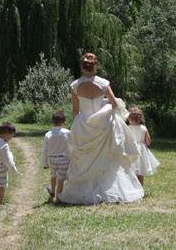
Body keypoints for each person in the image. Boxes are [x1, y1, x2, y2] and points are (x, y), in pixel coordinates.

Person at [57, 53, 144, 205]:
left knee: (85, 158)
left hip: (83, 124)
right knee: (109, 158)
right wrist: (104, 105)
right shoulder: (103, 83)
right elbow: (115, 104)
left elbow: (75, 111)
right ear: (95, 65)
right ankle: (109, 190)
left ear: (82, 67)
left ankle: (84, 189)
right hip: (103, 124)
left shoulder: (75, 85)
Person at [126, 106, 160, 186]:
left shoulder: (127, 128)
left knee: (130, 170)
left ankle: (132, 187)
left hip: (131, 150)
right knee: (140, 171)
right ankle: (140, 188)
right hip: (141, 151)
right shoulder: (143, 128)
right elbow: (148, 142)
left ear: (129, 119)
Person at [42, 110, 71, 202]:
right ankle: (58, 197)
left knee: (53, 175)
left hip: (51, 159)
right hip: (63, 159)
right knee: (61, 178)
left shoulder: (48, 134)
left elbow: (45, 150)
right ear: (64, 122)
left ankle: (52, 190)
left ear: (52, 122)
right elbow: (72, 145)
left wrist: (44, 162)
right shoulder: (67, 132)